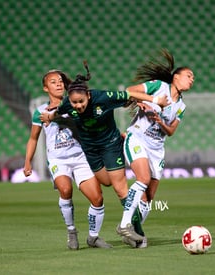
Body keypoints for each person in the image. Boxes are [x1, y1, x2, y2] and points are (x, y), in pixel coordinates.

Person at [42, 61, 169, 246]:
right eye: (74, 102)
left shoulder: (104, 97)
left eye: (81, 101)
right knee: (107, 182)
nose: (78, 106)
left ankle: (136, 234)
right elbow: (57, 113)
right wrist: (48, 116)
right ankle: (129, 227)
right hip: (91, 149)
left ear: (88, 96)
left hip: (110, 144)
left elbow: (129, 93)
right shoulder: (67, 105)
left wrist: (155, 101)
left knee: (120, 189)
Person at [23, 69, 112, 250]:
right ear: (45, 88)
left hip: (81, 157)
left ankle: (93, 237)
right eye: (53, 82)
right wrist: (27, 162)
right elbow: (33, 138)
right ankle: (71, 231)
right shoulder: (40, 111)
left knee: (97, 199)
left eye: (61, 81)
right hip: (58, 160)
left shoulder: (76, 104)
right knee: (65, 189)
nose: (59, 84)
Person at [118, 49, 194, 246]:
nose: (191, 80)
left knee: (149, 198)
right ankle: (125, 224)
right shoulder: (158, 87)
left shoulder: (181, 106)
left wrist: (159, 120)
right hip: (137, 138)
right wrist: (145, 101)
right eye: (188, 76)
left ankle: (133, 232)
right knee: (142, 179)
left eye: (192, 78)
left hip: (157, 148)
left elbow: (170, 131)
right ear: (175, 77)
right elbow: (129, 90)